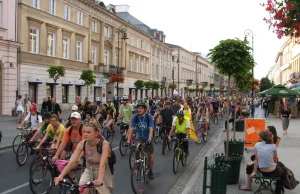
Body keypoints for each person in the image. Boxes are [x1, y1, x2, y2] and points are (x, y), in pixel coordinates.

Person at [54, 120, 114, 194]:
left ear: (96, 133)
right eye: (84, 132)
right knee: (82, 190)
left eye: (88, 132)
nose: (85, 134)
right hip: (89, 169)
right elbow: (72, 162)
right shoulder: (82, 144)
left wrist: (99, 180)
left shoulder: (104, 144)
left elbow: (102, 165)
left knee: (102, 191)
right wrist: (60, 176)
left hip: (102, 171)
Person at [239, 126, 281, 191]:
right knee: (250, 164)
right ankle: (248, 185)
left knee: (282, 168)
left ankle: (248, 185)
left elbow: (272, 155)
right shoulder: (261, 144)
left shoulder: (276, 140)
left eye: (267, 131)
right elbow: (257, 158)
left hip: (268, 162)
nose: (265, 131)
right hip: (268, 164)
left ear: (271, 132)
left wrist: (254, 169)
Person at [127, 102, 155, 180]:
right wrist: (128, 141)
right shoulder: (135, 117)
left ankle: (150, 171)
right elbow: (131, 129)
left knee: (150, 155)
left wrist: (149, 140)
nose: (139, 109)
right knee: (137, 148)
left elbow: (151, 129)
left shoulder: (149, 117)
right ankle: (137, 162)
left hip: (148, 136)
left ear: (145, 110)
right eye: (138, 108)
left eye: (141, 108)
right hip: (139, 136)